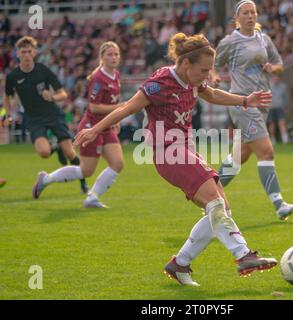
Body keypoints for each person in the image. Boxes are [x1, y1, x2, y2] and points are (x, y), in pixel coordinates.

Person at [73, 32, 277, 286]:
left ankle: (180, 264)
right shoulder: (159, 82)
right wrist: (95, 129)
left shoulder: (192, 79)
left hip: (186, 150)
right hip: (168, 152)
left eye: (209, 69)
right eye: (204, 69)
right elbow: (127, 108)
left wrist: (245, 100)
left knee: (222, 207)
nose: (206, 75)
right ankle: (243, 254)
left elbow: (211, 93)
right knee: (215, 203)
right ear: (185, 63)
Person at [210, 0, 293, 221]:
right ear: (237, 18)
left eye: (253, 12)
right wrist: (213, 76)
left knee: (240, 156)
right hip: (242, 103)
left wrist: (272, 67)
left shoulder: (264, 39)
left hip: (263, 103)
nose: (250, 16)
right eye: (246, 13)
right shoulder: (230, 42)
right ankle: (279, 204)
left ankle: (209, 194)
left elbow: (279, 64)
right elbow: (212, 63)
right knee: (266, 151)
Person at [32, 42, 124, 208]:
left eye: (116, 54)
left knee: (118, 163)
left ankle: (92, 197)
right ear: (102, 57)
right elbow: (94, 107)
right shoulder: (98, 79)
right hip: (92, 128)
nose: (114, 57)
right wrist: (119, 108)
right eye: (110, 54)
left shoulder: (116, 75)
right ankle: (46, 179)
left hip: (106, 127)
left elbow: (112, 101)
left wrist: (115, 119)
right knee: (86, 170)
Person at [4, 36, 88, 194]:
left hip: (54, 115)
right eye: (23, 52)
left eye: (29, 51)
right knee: (43, 153)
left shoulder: (43, 70)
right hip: (34, 119)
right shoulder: (13, 76)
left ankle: (83, 182)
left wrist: (53, 97)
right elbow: (8, 97)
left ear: (34, 52)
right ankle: (55, 148)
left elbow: (63, 94)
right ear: (18, 54)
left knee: (70, 152)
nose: (27, 55)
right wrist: (8, 115)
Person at [267, 75, 289, 144]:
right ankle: (273, 139)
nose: (276, 79)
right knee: (272, 124)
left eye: (277, 77)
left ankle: (285, 139)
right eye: (274, 77)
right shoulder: (268, 86)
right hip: (271, 108)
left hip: (280, 107)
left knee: (282, 123)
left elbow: (286, 98)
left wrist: (285, 106)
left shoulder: (283, 86)